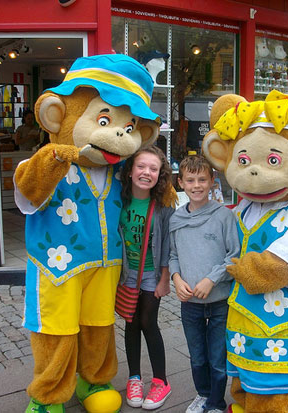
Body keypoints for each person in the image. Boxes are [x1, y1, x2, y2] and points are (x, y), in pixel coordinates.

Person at [169, 155, 240, 413]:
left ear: (212, 181)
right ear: (180, 183)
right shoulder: (176, 219)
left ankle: (216, 402)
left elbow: (234, 255)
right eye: (190, 180)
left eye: (202, 179)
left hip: (220, 301)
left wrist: (212, 279)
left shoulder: (224, 216)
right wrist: (176, 278)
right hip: (190, 303)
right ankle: (203, 394)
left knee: (218, 358)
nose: (196, 185)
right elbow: (173, 255)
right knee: (198, 356)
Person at [119, 145, 175, 410]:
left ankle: (161, 381)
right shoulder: (118, 200)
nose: (146, 172)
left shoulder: (163, 206)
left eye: (153, 168)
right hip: (126, 273)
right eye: (141, 166)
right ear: (130, 171)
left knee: (148, 322)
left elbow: (168, 246)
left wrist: (165, 279)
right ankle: (134, 378)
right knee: (130, 323)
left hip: (152, 274)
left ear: (159, 175)